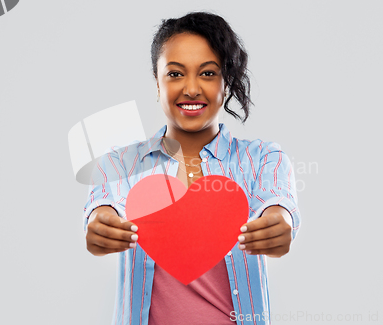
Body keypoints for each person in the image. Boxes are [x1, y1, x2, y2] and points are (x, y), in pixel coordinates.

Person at [83, 11, 301, 325]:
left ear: (226, 83)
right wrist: (101, 221)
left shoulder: (264, 158)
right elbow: (104, 205)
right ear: (156, 84)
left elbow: (278, 205)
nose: (191, 89)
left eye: (208, 73)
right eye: (175, 74)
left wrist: (279, 223)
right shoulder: (119, 162)